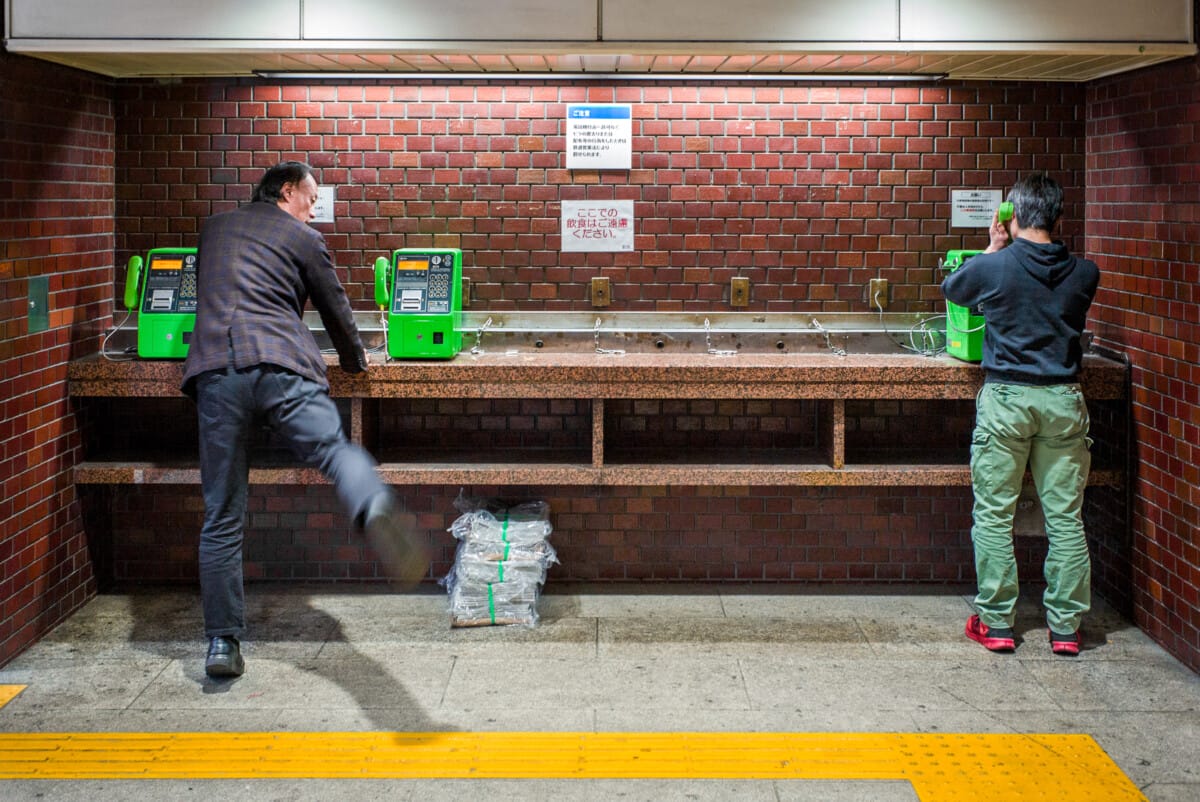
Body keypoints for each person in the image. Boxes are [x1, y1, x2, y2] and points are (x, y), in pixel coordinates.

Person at [181, 161, 429, 679]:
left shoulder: (214, 229)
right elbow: (335, 308)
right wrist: (358, 363)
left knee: (222, 512)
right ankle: (372, 501)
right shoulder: (302, 238)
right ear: (288, 191)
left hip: (215, 374)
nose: (314, 210)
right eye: (311, 199)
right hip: (283, 368)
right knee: (336, 450)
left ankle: (222, 644)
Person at [941, 172, 1100, 657]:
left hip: (1007, 401)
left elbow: (955, 289)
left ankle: (997, 623)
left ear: (1012, 214)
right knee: (1066, 519)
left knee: (994, 515)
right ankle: (1067, 629)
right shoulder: (1085, 272)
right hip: (1062, 403)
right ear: (1057, 215)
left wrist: (993, 245)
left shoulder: (996, 268)